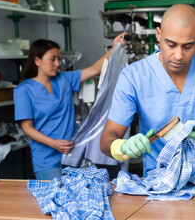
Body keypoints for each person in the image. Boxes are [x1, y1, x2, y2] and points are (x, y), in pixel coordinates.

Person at [100, 4, 195, 176]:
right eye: (171, 44)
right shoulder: (134, 76)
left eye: (187, 46)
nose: (178, 55)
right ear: (159, 34)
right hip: (161, 180)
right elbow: (107, 139)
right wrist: (121, 146)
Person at [14, 33, 126, 180]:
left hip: (73, 155)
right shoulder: (23, 90)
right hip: (47, 161)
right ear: (37, 60)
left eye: (58, 59)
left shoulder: (63, 79)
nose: (57, 64)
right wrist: (54, 143)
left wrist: (114, 48)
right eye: (52, 59)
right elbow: (27, 128)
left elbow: (94, 70)